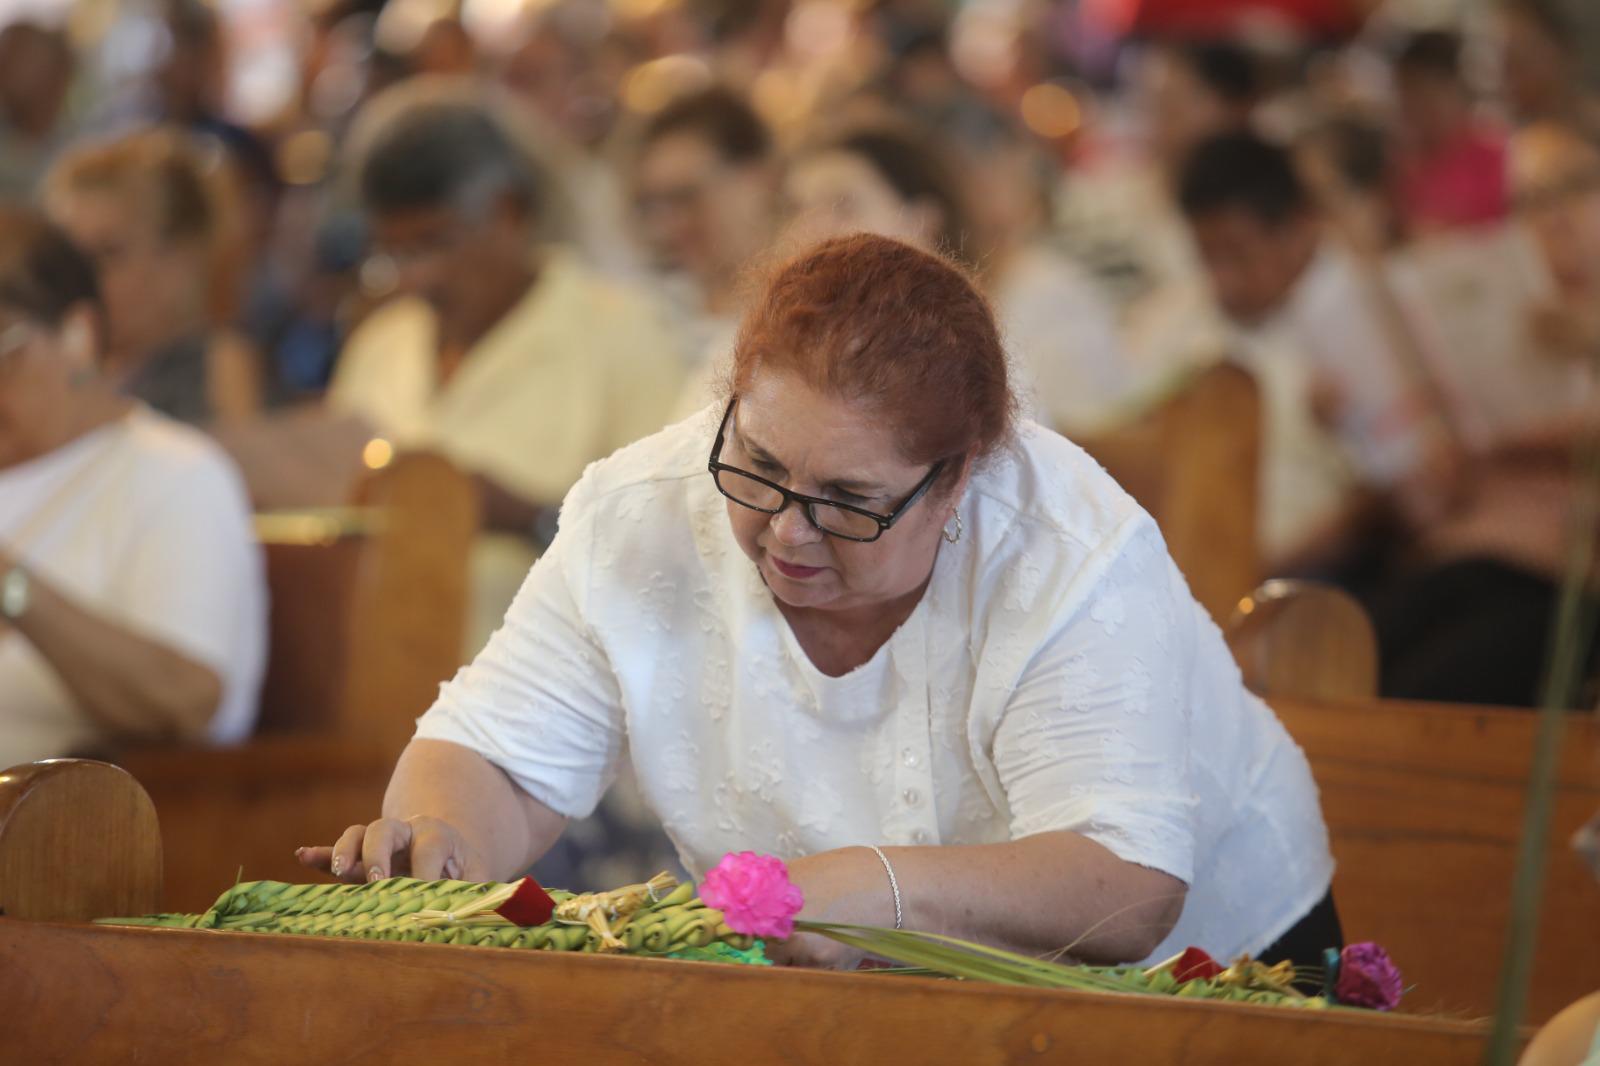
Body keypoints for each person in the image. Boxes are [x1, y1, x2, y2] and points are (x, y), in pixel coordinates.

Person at [300, 234, 1338, 973]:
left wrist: (873, 889)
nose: (786, 533)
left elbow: (1124, 883)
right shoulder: (646, 508)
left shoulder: (1070, 554)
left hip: (1214, 970)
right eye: (757, 464)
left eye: (848, 502)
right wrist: (440, 844)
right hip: (859, 980)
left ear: (959, 481)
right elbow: (501, 758)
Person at [327, 78, 686, 651]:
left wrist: (530, 518)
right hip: (379, 699)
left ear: (508, 213)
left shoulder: (621, 336)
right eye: (394, 253)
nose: (417, 277)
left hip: (546, 714)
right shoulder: (381, 344)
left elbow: (674, 557)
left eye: (435, 243)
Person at [0, 206, 265, 768]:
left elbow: (187, 704)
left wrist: (14, 590)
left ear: (77, 335)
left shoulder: (173, 474)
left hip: (72, 835)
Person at [1167, 131, 1454, 577]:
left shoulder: (1364, 309)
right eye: (1207, 258)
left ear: (1298, 228)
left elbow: (1408, 490)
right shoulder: (1206, 317)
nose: (1223, 281)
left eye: (1238, 255)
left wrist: (1258, 571)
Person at [784, 120, 1133, 434]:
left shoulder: (980, 356)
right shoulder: (797, 354)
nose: (812, 228)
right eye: (797, 209)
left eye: (843, 205)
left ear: (922, 220)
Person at [43, 127, 263, 424]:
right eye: (70, 259)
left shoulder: (220, 368)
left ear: (183, 258)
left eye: (107, 255)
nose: (80, 280)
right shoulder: (71, 374)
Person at [630, 86, 781, 366]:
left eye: (686, 197)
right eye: (653, 206)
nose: (667, 225)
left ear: (758, 178)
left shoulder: (800, 313)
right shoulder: (651, 316)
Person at [1392, 30, 1510, 235]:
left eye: (1425, 94)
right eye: (1406, 97)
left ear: (1454, 87)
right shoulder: (1401, 166)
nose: (1413, 108)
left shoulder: (1497, 153)